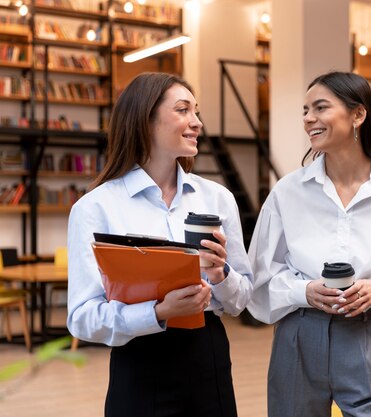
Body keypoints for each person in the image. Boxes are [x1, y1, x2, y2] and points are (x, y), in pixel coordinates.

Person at [247, 71, 371, 416]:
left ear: (358, 114)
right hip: (299, 335)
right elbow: (259, 280)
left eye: (320, 107)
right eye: (305, 110)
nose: (309, 119)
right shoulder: (287, 192)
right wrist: (304, 291)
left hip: (369, 335)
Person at [67, 72, 253, 417]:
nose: (196, 123)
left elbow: (242, 301)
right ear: (145, 120)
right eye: (183, 110)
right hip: (139, 359)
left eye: (197, 112)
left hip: (208, 354)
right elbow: (81, 319)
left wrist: (220, 272)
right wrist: (156, 313)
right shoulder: (96, 207)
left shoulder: (218, 198)